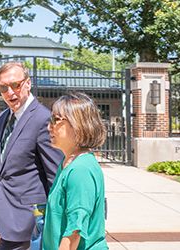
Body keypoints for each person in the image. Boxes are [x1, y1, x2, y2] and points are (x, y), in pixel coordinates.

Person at [0, 62, 63, 249]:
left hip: (31, 227)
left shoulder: (43, 119)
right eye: (3, 87)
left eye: (16, 85)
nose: (10, 92)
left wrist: (57, 228)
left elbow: (56, 178)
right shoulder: (2, 119)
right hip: (8, 222)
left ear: (28, 84)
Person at [43, 92, 109, 250]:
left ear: (78, 124)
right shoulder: (68, 163)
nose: (49, 127)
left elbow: (74, 231)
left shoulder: (80, 170)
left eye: (56, 120)